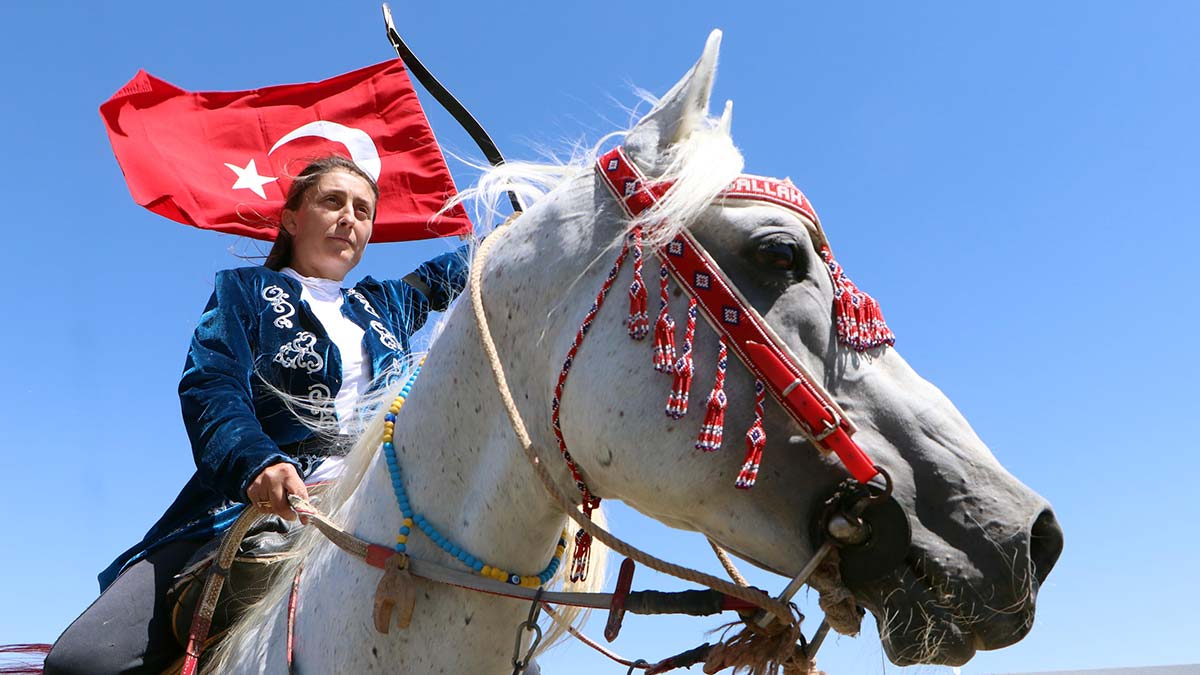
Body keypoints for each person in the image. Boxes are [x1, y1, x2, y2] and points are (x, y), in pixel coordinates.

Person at [43, 155, 469, 675]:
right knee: (81, 662)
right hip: (259, 502)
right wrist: (256, 462)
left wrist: (529, 227)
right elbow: (212, 384)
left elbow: (460, 269)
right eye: (332, 201)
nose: (349, 218)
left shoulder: (385, 306)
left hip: (381, 499)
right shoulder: (242, 294)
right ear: (291, 218)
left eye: (363, 209)